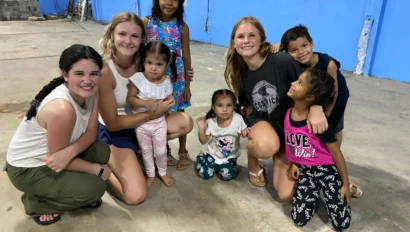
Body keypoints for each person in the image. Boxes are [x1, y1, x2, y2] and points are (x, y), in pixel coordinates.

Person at [4, 44, 111, 225]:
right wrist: (96, 170)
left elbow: (92, 132)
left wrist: (69, 152)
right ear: (65, 75)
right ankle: (37, 202)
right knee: (96, 188)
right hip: (27, 168)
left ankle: (62, 188)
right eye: (79, 74)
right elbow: (58, 159)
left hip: (56, 156)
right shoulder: (62, 109)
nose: (88, 80)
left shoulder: (92, 92)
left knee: (101, 151)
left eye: (94, 73)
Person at [224, 16, 328, 201]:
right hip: (263, 122)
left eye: (251, 35)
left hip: (290, 130)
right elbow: (246, 105)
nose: (246, 41)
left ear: (261, 38)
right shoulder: (239, 70)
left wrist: (316, 107)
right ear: (234, 42)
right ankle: (254, 157)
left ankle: (330, 181)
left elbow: (314, 85)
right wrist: (240, 124)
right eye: (240, 36)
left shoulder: (282, 60)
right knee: (266, 146)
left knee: (286, 195)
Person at [98, 12, 193, 204]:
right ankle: (101, 166)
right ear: (111, 35)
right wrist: (151, 113)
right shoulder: (104, 71)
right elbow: (113, 123)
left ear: (142, 39)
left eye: (134, 36)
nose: (128, 41)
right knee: (135, 196)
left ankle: (141, 149)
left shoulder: (145, 63)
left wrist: (183, 78)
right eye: (122, 34)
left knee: (185, 121)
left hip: (142, 124)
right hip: (116, 131)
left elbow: (167, 68)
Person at [271, 24, 362, 197]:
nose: (301, 52)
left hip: (335, 100)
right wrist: (276, 46)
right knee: (312, 138)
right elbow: (280, 50)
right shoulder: (295, 65)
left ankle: (335, 175)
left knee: (331, 136)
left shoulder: (328, 64)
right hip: (313, 99)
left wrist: (324, 117)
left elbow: (333, 94)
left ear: (312, 43)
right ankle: (310, 173)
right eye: (294, 50)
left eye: (304, 46)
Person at [285, 69, 351, 230]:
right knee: (298, 219)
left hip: (326, 171)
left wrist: (344, 184)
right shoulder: (288, 112)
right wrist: (294, 163)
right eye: (297, 80)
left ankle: (347, 190)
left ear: (310, 97)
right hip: (306, 172)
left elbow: (336, 153)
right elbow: (293, 145)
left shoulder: (319, 123)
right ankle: (312, 197)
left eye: (300, 83)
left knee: (342, 224)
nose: (293, 83)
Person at [142, 0, 193, 171]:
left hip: (176, 77)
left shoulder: (182, 27)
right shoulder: (147, 22)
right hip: (154, 75)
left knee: (179, 110)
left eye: (175, 0)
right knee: (160, 113)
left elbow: (186, 56)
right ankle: (166, 148)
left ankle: (183, 150)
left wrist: (187, 85)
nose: (170, 3)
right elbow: (140, 53)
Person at [126, 41, 176, 187]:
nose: (153, 68)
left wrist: (169, 102)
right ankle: (150, 174)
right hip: (141, 124)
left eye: (159, 64)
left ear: (166, 65)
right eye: (149, 63)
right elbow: (130, 99)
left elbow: (167, 99)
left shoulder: (166, 82)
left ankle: (162, 172)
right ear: (144, 62)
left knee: (160, 151)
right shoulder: (138, 79)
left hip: (159, 123)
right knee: (146, 151)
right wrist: (148, 103)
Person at [196, 89, 249, 181]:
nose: (224, 109)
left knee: (227, 176)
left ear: (234, 106)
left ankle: (223, 165)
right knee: (204, 174)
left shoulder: (238, 119)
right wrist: (201, 129)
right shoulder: (211, 122)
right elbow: (203, 141)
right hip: (212, 154)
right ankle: (201, 157)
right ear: (213, 107)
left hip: (229, 156)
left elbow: (243, 132)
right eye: (220, 105)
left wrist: (245, 132)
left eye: (229, 105)